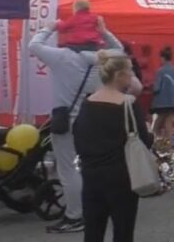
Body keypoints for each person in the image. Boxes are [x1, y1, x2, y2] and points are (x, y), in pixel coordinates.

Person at [29, 17, 142, 234]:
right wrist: (105, 31)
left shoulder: (61, 56)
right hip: (94, 117)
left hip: (67, 121)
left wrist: (52, 26)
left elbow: (34, 45)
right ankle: (96, 207)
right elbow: (119, 50)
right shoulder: (103, 57)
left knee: (69, 169)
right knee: (95, 167)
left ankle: (74, 215)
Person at [73, 52, 154, 242]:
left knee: (93, 230)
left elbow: (78, 138)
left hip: (91, 174)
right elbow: (144, 140)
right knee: (123, 230)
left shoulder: (88, 103)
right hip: (122, 176)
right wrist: (150, 133)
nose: (132, 76)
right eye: (130, 71)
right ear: (119, 76)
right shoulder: (128, 104)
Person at [150, 47, 174, 141]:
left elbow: (156, 88)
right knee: (169, 123)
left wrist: (150, 87)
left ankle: (156, 143)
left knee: (157, 125)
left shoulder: (160, 71)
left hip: (161, 103)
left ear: (162, 58)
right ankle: (170, 144)